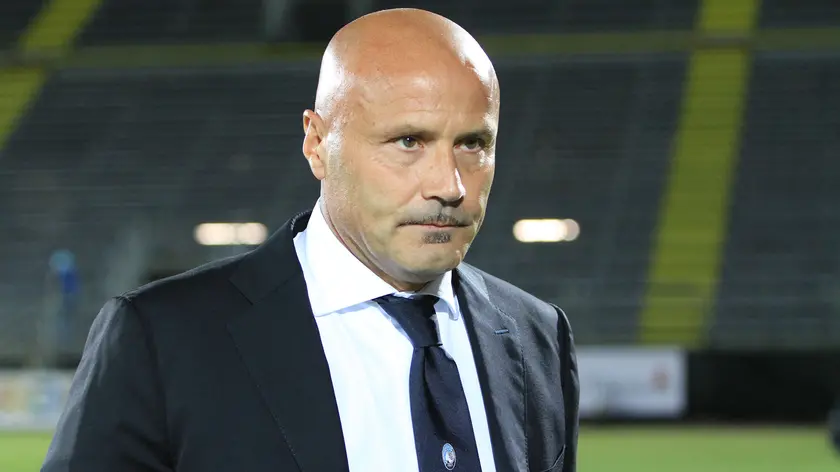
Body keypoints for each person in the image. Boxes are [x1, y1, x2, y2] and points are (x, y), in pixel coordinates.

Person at [41, 8, 578, 472]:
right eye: (409, 141)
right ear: (318, 144)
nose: (450, 186)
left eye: (473, 144)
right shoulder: (160, 341)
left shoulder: (540, 337)